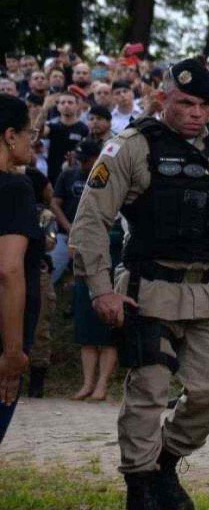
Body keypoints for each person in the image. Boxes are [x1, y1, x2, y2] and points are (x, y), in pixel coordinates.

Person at [68, 59, 209, 510]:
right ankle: (140, 486)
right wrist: (101, 289)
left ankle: (165, 461)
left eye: (206, 105)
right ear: (164, 97)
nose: (197, 113)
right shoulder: (131, 146)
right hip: (150, 290)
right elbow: (90, 221)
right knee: (148, 391)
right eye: (186, 103)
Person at [52, 140, 116, 401]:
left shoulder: (114, 177)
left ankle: (102, 384)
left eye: (87, 159)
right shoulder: (69, 175)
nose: (83, 163)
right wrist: (72, 233)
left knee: (109, 328)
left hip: (111, 250)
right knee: (85, 326)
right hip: (82, 251)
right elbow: (56, 202)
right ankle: (87, 383)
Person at [0, 95, 38, 444]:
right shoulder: (14, 187)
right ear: (10, 135)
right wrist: (13, 353)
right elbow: (9, 270)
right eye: (30, 132)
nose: (33, 141)